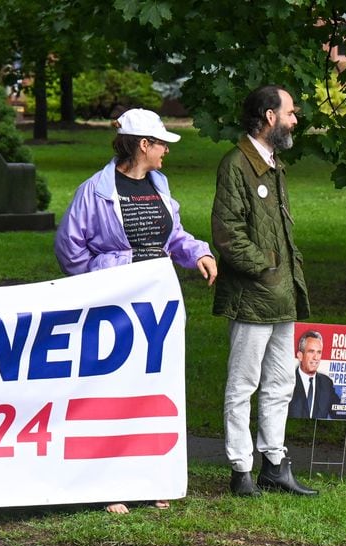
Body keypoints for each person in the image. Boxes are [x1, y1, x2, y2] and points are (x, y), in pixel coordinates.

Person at [55, 108, 217, 513]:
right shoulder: (95, 190)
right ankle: (110, 484)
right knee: (113, 392)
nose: (166, 151)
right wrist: (104, 279)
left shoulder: (159, 183)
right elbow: (69, 249)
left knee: (155, 390)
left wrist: (198, 252)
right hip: (115, 308)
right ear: (143, 145)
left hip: (156, 304)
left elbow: (174, 234)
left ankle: (152, 478)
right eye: (161, 143)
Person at [211, 85, 318, 497]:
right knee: (242, 384)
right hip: (254, 295)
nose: (296, 119)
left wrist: (281, 276)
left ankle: (274, 465)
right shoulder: (237, 164)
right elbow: (227, 233)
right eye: (290, 112)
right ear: (270, 117)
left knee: (280, 383)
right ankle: (241, 470)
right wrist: (267, 269)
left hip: (282, 295)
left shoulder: (273, 164)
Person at [288, 330, 341, 419]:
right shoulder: (287, 380)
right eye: (311, 351)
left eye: (319, 352)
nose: (316, 357)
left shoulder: (326, 383)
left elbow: (338, 408)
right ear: (300, 356)